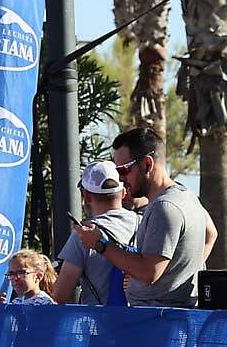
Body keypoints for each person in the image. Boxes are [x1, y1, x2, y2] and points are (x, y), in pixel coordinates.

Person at [73, 127, 215, 310]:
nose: (121, 180)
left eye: (124, 171)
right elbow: (211, 233)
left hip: (156, 323)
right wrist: (179, 272)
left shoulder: (164, 207)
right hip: (172, 318)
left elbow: (149, 272)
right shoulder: (187, 196)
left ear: (147, 164)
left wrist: (99, 244)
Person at [51, 161, 140, 306]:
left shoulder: (85, 234)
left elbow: (61, 295)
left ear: (86, 195)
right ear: (123, 193)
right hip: (144, 323)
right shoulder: (143, 223)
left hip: (100, 324)